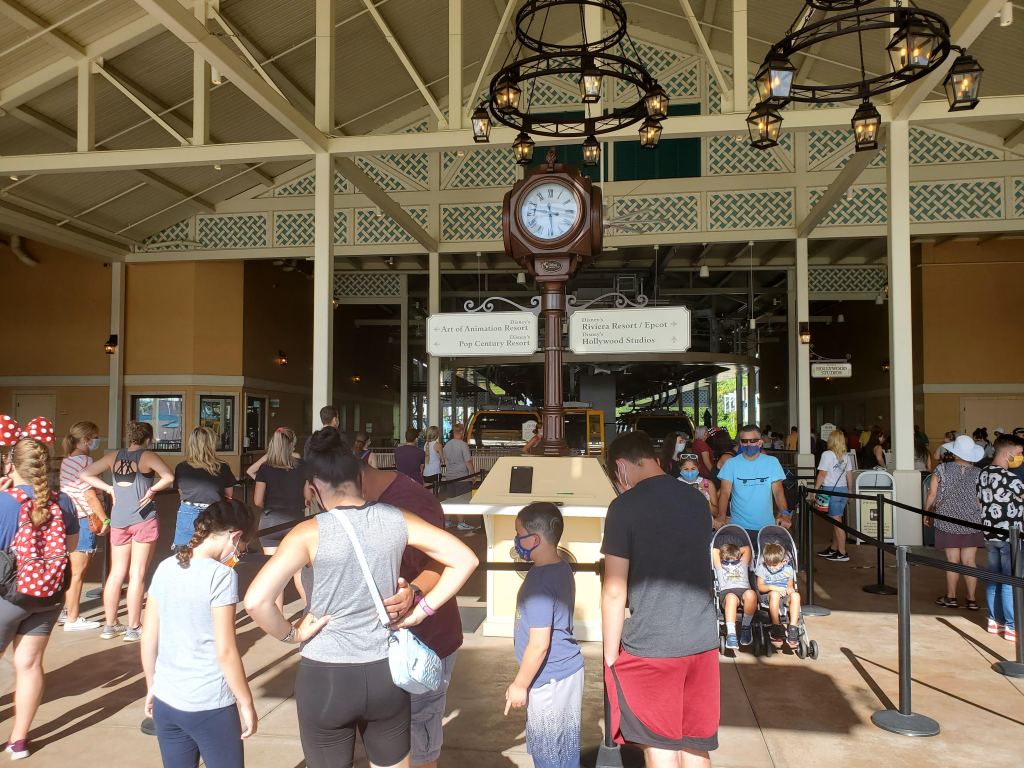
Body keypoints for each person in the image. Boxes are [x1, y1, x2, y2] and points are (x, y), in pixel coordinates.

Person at [244, 428, 478, 768]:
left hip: (326, 675)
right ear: (359, 476)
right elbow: (465, 559)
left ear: (314, 488)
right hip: (384, 672)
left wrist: (292, 634)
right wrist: (420, 609)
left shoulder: (307, 533)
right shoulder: (396, 518)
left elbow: (255, 602)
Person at [601, 432, 719, 767]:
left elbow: (614, 589)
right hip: (702, 640)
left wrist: (610, 655)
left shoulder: (624, 507)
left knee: (660, 745)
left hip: (652, 645)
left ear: (621, 467)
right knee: (695, 743)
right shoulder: (696, 499)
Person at [357, 448, 466, 768]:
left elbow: (448, 560)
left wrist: (415, 593)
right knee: (390, 740)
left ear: (357, 477)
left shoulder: (412, 502)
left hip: (425, 644)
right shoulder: (358, 505)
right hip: (383, 645)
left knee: (420, 743)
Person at [142, 500, 259, 768]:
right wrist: (246, 702)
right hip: (209, 704)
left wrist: (152, 685)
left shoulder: (166, 566)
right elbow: (225, 651)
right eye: (242, 548)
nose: (239, 554)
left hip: (166, 699)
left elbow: (148, 638)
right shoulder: (222, 576)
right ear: (235, 536)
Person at [0, 422, 80, 760]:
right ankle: (19, 741)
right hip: (47, 595)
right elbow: (71, 548)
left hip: (7, 595)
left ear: (10, 465)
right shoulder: (64, 502)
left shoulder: (4, 502)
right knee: (30, 665)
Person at [504, 502, 583, 768]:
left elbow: (539, 645)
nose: (516, 540)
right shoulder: (561, 568)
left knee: (548, 754)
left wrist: (519, 684)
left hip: (549, 680)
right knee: (565, 750)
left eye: (519, 534)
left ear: (534, 539)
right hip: (565, 674)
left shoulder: (539, 583)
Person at [82, 420, 174, 642]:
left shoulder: (114, 456)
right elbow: (169, 477)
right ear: (148, 439)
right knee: (137, 573)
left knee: (116, 573)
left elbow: (85, 474)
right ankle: (134, 627)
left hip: (119, 519)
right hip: (143, 519)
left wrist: (109, 488)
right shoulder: (148, 456)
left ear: (129, 437)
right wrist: (152, 490)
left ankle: (110, 625)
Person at [924, 435, 986, 610]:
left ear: (954, 452)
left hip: (947, 519)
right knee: (969, 561)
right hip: (972, 520)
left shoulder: (942, 469)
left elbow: (932, 494)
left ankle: (951, 597)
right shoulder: (979, 473)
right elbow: (980, 500)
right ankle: (971, 599)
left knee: (952, 560)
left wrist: (927, 512)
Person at [253, 427, 308, 611]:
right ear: (292, 445)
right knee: (299, 571)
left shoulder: (265, 468)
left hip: (270, 522)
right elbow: (308, 497)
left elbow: (257, 500)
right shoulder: (302, 466)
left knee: (275, 573)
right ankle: (312, 612)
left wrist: (271, 506)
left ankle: (278, 618)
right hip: (295, 522)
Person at [59, 420, 106, 631]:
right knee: (78, 573)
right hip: (84, 519)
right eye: (95, 437)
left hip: (69, 518)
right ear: (86, 440)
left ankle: (67, 611)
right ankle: (73, 618)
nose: (97, 441)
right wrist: (105, 518)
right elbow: (89, 495)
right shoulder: (85, 462)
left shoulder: (67, 460)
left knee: (71, 571)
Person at [976, 434, 1024, 642]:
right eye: (1019, 453)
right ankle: (1012, 626)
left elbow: (979, 502)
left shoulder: (983, 473)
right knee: (1009, 581)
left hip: (989, 534)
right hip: (1009, 536)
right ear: (1008, 453)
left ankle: (994, 621)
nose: (1021, 457)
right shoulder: (1011, 478)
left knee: (993, 578)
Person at [716, 425, 792, 543]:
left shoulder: (772, 462)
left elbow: (778, 491)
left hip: (766, 526)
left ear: (760, 443)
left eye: (753, 441)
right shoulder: (731, 464)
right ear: (740, 443)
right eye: (744, 441)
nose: (748, 444)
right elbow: (725, 493)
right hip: (738, 527)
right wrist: (721, 516)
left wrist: (784, 513)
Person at [172, 427, 236, 550]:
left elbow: (181, 493)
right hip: (214, 512)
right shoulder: (222, 467)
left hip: (187, 511)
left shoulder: (181, 467)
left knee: (183, 550)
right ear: (212, 444)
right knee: (212, 551)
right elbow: (229, 494)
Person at [814, 429, 855, 563]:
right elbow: (849, 474)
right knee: (836, 520)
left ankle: (842, 552)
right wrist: (850, 490)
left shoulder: (827, 454)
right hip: (843, 490)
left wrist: (815, 490)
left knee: (837, 523)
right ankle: (833, 548)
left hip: (831, 491)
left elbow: (822, 474)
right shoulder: (846, 456)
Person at [755, 543, 802, 650]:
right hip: (768, 595)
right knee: (775, 594)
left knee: (796, 595)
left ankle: (793, 628)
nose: (771, 567)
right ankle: (776, 626)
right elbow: (760, 587)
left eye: (774, 565)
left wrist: (789, 590)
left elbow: (790, 586)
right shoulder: (762, 568)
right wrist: (774, 588)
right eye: (769, 564)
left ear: (783, 561)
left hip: (784, 595)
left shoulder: (788, 569)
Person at [712, 542, 756, 650]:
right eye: (726, 562)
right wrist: (725, 553)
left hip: (744, 591)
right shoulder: (720, 567)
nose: (730, 564)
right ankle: (731, 634)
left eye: (734, 561)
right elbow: (714, 551)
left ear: (739, 559)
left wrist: (734, 552)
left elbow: (747, 548)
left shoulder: (742, 564)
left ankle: (746, 627)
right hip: (727, 592)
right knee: (731, 598)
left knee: (751, 594)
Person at [441, 423, 475, 501]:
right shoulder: (463, 445)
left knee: (450, 500)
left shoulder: (447, 445)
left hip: (449, 477)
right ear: (462, 432)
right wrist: (473, 475)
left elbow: (445, 460)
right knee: (463, 500)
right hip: (462, 477)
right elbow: (468, 461)